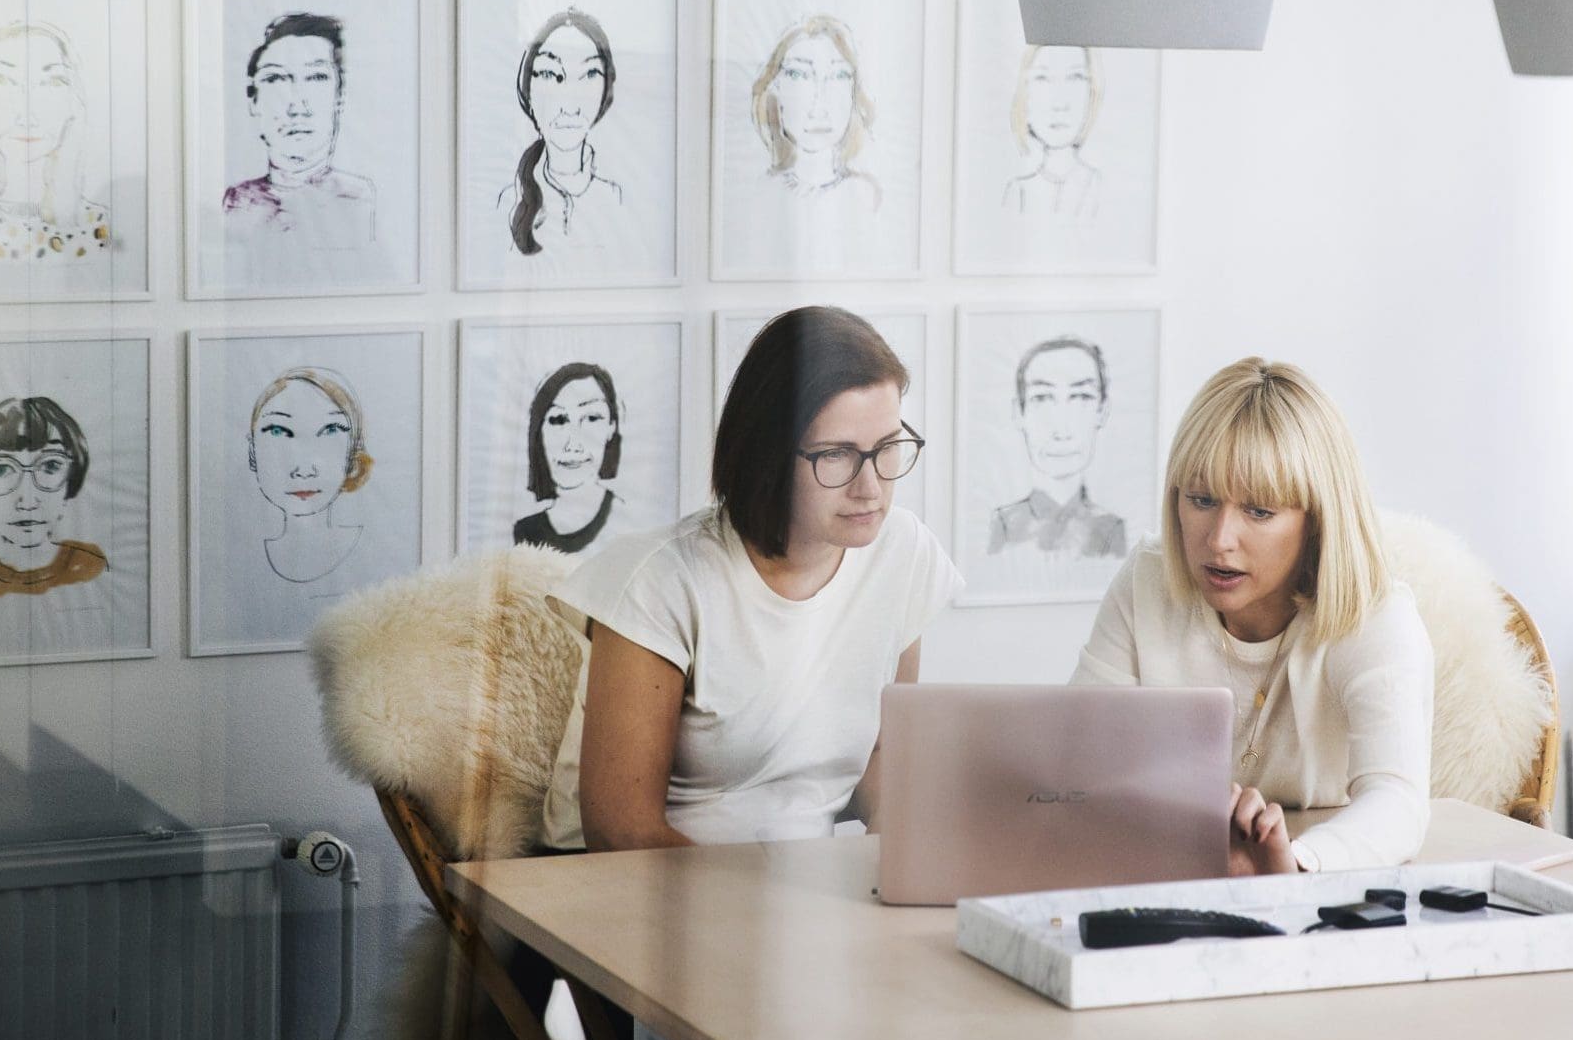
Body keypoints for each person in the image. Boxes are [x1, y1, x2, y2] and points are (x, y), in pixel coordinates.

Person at [562, 305, 956, 851]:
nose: (872, 488)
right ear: (767, 454)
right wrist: (767, 908)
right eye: (837, 455)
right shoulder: (661, 580)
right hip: (649, 895)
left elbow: (883, 757)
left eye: (888, 448)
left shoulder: (904, 552)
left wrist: (894, 859)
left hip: (807, 893)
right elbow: (621, 831)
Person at [1071, 357, 1433, 874]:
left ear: (1318, 519)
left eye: (1259, 511)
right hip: (1167, 869)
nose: (1218, 541)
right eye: (1201, 499)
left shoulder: (1376, 617)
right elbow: (1077, 754)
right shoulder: (1147, 581)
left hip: (1325, 897)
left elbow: (1397, 801)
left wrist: (1295, 862)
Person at [0, 21, 113, 262]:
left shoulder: (97, 228)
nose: (27, 114)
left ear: (73, 102)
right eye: (1, 80)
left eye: (53, 82)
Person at [223, 12, 378, 252]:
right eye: (275, 79)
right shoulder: (233, 203)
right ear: (253, 99)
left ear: (340, 95)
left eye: (316, 77)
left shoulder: (363, 202)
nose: (297, 107)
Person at [0, 395, 108, 597]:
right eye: (0, 470)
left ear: (71, 478)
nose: (28, 501)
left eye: (50, 466)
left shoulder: (93, 565)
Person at [989, 335, 1125, 558]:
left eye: (1081, 397)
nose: (1062, 430)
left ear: (1103, 410)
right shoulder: (1002, 525)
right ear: (1018, 412)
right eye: (1042, 398)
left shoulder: (1113, 530)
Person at [505, 9, 624, 254]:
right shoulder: (507, 201)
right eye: (550, 74)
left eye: (590, 74)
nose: (569, 106)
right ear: (527, 88)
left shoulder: (614, 198)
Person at [246, 367, 372, 583]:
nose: (304, 470)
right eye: (278, 431)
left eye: (331, 430)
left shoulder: (375, 552)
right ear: (252, 450)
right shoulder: (241, 561)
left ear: (353, 450)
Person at [749, 14, 878, 208]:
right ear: (775, 89)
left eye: (839, 76)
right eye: (798, 75)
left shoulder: (865, 196)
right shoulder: (760, 193)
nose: (819, 106)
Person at [514, 362, 625, 555]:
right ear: (539, 431)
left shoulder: (625, 520)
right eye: (558, 420)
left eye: (591, 418)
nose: (572, 444)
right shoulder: (525, 531)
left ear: (611, 427)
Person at [1001, 44, 1104, 218]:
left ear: (1092, 90)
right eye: (1042, 78)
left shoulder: (1099, 186)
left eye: (1075, 77)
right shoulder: (1018, 192)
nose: (1059, 104)